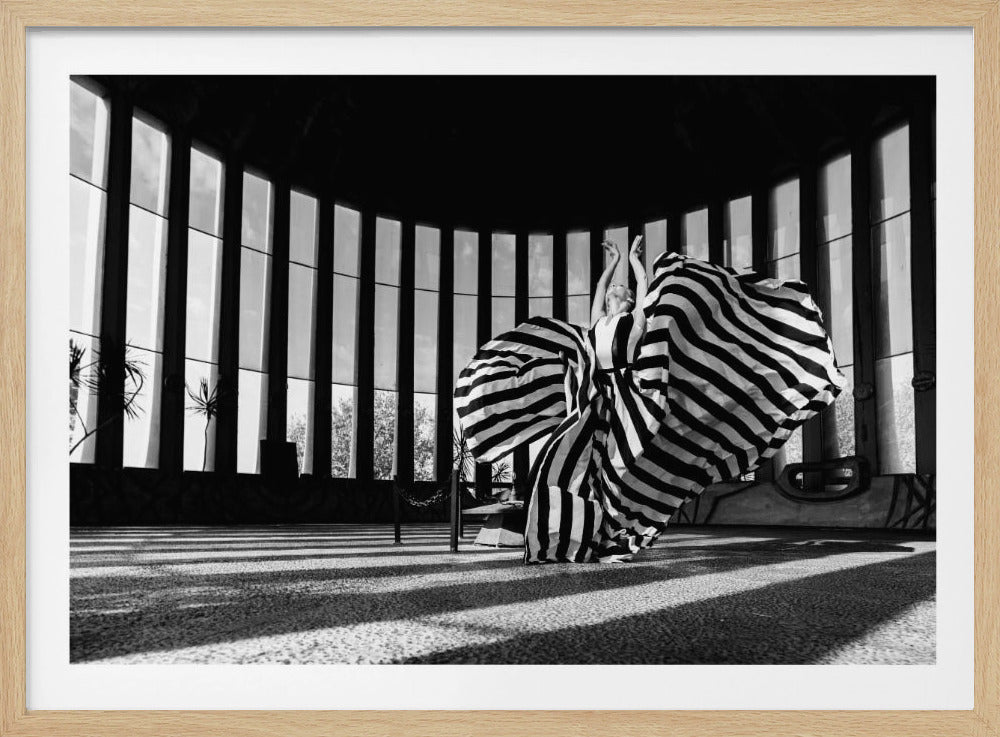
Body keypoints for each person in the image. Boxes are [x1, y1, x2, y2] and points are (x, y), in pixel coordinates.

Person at [454, 238, 846, 564]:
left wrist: (638, 265)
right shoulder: (597, 324)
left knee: (625, 472)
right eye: (614, 291)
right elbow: (597, 296)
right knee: (586, 474)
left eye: (623, 292)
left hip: (630, 400)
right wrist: (613, 263)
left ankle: (620, 537)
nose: (618, 293)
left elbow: (646, 298)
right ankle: (591, 539)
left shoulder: (635, 322)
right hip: (595, 403)